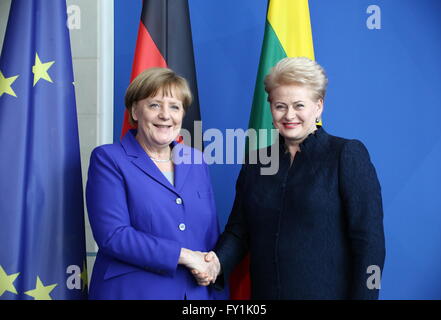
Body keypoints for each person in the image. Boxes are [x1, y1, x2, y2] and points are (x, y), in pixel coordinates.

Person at [193, 57, 386, 299]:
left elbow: (369, 242)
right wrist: (216, 264)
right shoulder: (257, 162)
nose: (289, 115)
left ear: (319, 106)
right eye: (280, 106)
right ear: (270, 107)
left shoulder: (346, 154)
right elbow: (239, 231)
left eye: (299, 105)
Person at [86, 67, 224, 299]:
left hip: (194, 293)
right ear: (135, 111)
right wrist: (185, 255)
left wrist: (213, 267)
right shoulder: (109, 159)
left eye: (174, 106)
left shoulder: (196, 160)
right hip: (133, 292)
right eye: (154, 105)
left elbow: (209, 233)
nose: (165, 115)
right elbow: (114, 236)